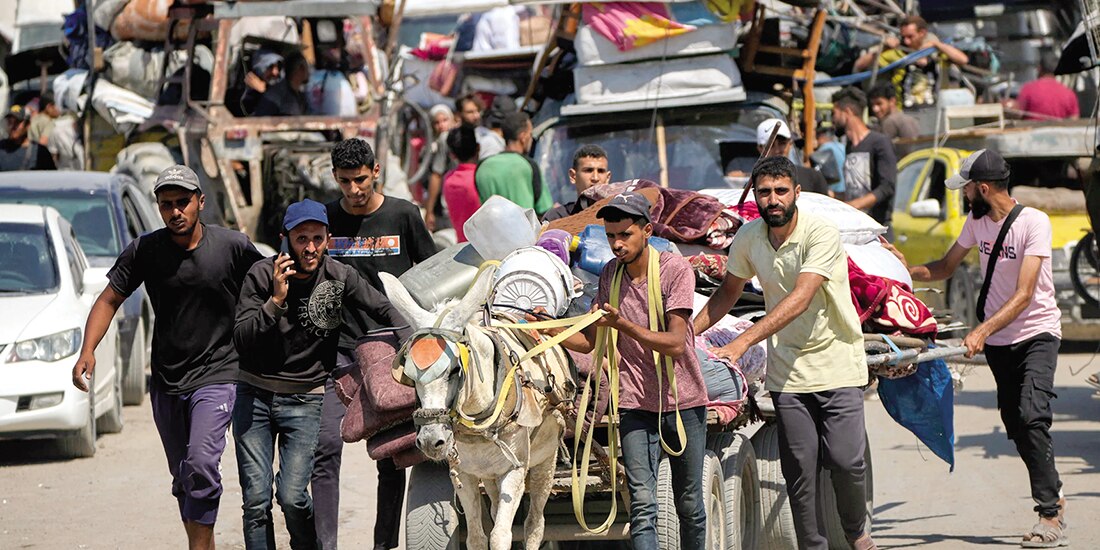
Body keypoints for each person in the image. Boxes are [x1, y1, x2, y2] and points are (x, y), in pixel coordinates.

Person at [72, 165, 263, 550]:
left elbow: (266, 285)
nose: (176, 211)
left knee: (201, 464)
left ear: (200, 202)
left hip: (219, 373)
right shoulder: (146, 250)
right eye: (167, 205)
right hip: (167, 381)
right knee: (184, 478)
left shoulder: (231, 246)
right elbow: (109, 299)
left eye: (183, 203)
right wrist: (87, 350)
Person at [884, 149, 1068, 548]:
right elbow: (946, 266)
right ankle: (1053, 490)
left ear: (982, 188)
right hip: (1001, 341)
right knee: (1016, 425)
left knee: (1032, 414)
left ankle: (1049, 513)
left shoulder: (1034, 223)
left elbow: (1024, 294)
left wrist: (980, 331)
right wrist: (902, 270)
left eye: (966, 189)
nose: (965, 196)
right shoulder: (976, 222)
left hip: (1036, 333)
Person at [695, 156, 875, 550]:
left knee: (845, 460)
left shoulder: (820, 234)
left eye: (780, 191)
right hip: (787, 372)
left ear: (796, 193)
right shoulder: (749, 237)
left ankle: (858, 534)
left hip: (837, 362)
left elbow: (801, 296)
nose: (772, 199)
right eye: (764, 192)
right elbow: (728, 292)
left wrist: (742, 342)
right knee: (800, 470)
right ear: (755, 197)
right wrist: (687, 332)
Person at [233, 199, 411, 550]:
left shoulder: (339, 275)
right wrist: (275, 301)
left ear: (328, 239)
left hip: (306, 398)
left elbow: (383, 308)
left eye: (317, 238)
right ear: (285, 240)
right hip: (254, 397)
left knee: (292, 496)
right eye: (301, 239)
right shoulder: (260, 275)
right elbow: (242, 337)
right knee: (256, 502)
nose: (310, 247)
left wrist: (410, 344)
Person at [537, 191, 708, 549]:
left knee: (689, 505)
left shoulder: (674, 270)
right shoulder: (611, 275)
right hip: (634, 405)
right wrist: (547, 330)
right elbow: (592, 342)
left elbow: (676, 343)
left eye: (625, 235)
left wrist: (624, 326)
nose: (616, 244)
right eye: (611, 235)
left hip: (683, 403)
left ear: (646, 231)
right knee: (642, 506)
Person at [314, 138, 436, 550]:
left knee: (390, 455)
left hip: (392, 351)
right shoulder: (324, 220)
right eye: (345, 181)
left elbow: (431, 276)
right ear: (335, 178)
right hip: (340, 350)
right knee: (326, 448)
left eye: (361, 180)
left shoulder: (403, 214)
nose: (353, 190)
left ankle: (383, 545)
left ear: (376, 171)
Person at [854, 15, 969, 109]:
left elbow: (963, 60)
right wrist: (883, 47)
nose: (906, 41)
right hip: (904, 110)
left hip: (935, 109)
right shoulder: (896, 54)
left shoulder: (936, 54)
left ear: (922, 33)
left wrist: (937, 45)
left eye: (910, 37)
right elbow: (860, 66)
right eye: (903, 37)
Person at [832, 87, 897, 232]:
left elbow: (887, 187)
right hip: (855, 227)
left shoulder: (880, 142)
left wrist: (853, 205)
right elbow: (857, 188)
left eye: (834, 113)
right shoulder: (849, 147)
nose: (832, 119)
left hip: (878, 230)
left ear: (847, 112)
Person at [475, 111, 553, 216]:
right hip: (525, 231)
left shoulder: (482, 167)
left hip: (491, 231)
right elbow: (545, 209)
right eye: (530, 134)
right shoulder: (528, 165)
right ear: (523, 137)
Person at [730, 119, 830, 196]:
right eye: (771, 144)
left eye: (782, 143)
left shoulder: (813, 177)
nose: (777, 149)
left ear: (790, 144)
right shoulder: (752, 184)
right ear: (760, 148)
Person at [542, 144, 612, 222]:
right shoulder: (556, 217)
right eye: (588, 170)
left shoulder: (618, 216)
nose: (595, 178)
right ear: (573, 176)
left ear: (607, 178)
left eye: (601, 171)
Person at [442, 124, 481, 242]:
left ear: (452, 155)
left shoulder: (448, 180)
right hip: (486, 247)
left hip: (462, 246)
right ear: (478, 147)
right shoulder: (480, 178)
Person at [1014, 53, 1079, 121]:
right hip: (1059, 131)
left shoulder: (1028, 90)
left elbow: (1017, 114)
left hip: (1033, 130)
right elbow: (1074, 119)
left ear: (1039, 68)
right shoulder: (1069, 93)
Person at [423, 103, 456, 231]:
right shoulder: (431, 146)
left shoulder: (445, 140)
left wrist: (429, 210)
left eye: (445, 120)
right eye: (437, 122)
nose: (442, 125)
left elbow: (436, 175)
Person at [255, 51, 310, 117]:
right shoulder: (276, 94)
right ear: (300, 69)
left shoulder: (301, 95)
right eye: (306, 67)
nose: (309, 72)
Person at [0, 106, 55, 171]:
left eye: (17, 122)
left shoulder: (39, 152)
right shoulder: (1, 148)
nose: (12, 126)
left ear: (28, 125)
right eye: (9, 122)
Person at [455, 93, 503, 159]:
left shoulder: (488, 136)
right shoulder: (449, 137)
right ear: (459, 114)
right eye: (470, 112)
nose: (476, 116)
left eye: (478, 111)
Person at [241, 51, 284, 115]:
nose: (275, 72)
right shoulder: (246, 92)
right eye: (270, 66)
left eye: (278, 67)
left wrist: (264, 92)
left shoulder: (282, 89)